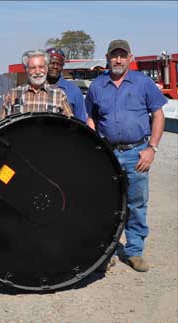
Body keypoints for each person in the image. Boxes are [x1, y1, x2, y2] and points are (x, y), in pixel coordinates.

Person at [85, 39, 167, 272]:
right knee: (105, 203)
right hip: (107, 154)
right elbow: (91, 118)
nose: (118, 60)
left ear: (130, 57)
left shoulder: (143, 83)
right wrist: (94, 147)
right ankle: (106, 251)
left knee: (136, 203)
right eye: (114, 56)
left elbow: (158, 115)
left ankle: (134, 251)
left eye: (122, 55)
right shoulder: (97, 86)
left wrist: (152, 148)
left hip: (136, 153)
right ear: (108, 58)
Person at [2, 49, 73, 118]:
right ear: (26, 69)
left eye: (41, 67)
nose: (38, 72)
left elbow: (70, 125)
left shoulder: (59, 95)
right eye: (33, 68)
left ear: (46, 68)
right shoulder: (12, 95)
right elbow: (2, 127)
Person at [46, 48, 87, 123]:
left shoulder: (74, 91)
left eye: (59, 64)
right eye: (52, 63)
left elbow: (81, 122)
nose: (55, 66)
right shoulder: (37, 88)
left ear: (63, 66)